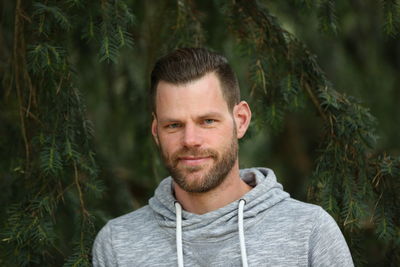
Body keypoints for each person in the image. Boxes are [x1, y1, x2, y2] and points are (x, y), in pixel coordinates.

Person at [92, 47, 354, 267]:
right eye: (173, 125)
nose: (190, 140)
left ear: (240, 121)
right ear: (155, 131)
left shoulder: (309, 232)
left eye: (207, 121)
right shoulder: (118, 245)